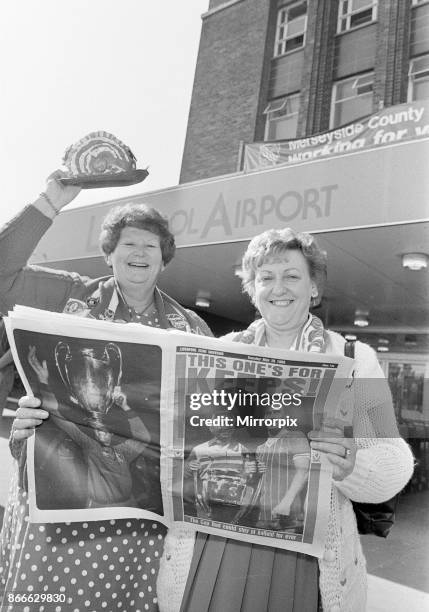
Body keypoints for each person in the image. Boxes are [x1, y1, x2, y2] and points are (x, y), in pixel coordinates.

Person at [158, 228, 414, 612]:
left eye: (292, 276)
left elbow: (395, 464)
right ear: (252, 288)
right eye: (266, 277)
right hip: (214, 547)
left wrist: (352, 467)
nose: (279, 287)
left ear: (314, 288)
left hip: (304, 557)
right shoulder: (215, 356)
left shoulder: (354, 359)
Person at [0, 170, 211, 612]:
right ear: (109, 255)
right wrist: (50, 201)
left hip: (140, 523)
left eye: (150, 244)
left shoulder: (192, 328)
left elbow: (203, 418)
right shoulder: (69, 296)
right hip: (56, 509)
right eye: (127, 243)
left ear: (164, 259)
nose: (139, 251)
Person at [255, 406, 310, 531]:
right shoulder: (260, 448)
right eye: (268, 413)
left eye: (276, 412)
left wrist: (285, 503)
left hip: (289, 515)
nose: (272, 416)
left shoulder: (295, 437)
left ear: (285, 416)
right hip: (264, 516)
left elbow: (303, 471)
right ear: (264, 418)